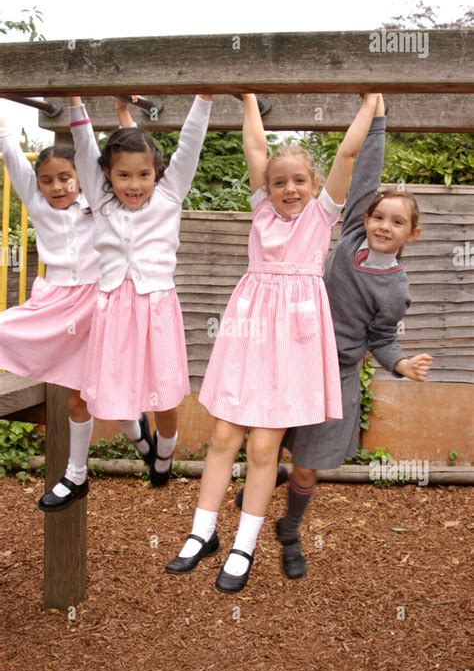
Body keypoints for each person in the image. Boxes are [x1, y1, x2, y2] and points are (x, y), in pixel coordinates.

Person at [166, 93, 382, 593]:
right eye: (279, 181)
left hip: (294, 339)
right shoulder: (262, 208)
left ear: (313, 186)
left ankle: (244, 544)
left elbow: (347, 155)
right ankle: (202, 534)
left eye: (299, 181)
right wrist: (247, 98)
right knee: (223, 436)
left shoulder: (322, 216)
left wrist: (370, 104)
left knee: (264, 447)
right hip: (249, 326)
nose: (288, 188)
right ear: (267, 187)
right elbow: (255, 147)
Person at [277, 95, 433, 579]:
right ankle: (264, 488)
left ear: (411, 233)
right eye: (378, 216)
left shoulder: (396, 290)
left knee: (308, 464)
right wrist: (379, 117)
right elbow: (364, 169)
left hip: (338, 371)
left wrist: (401, 364)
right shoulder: (348, 236)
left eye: (397, 221)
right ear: (365, 218)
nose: (384, 225)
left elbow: (382, 340)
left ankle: (290, 527)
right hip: (296, 354)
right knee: (267, 441)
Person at [67, 93, 212, 488]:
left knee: (165, 398)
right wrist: (74, 101)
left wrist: (204, 97)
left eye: (143, 175)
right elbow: (84, 147)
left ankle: (165, 449)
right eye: (124, 176)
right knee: (111, 391)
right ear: (108, 177)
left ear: (157, 174)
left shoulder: (168, 196)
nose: (134, 184)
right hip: (113, 306)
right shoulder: (101, 201)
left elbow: (190, 146)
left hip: (157, 306)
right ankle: (142, 445)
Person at [0, 101, 112, 512]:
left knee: (80, 400)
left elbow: (93, 155)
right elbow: (11, 154)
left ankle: (76, 475)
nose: (57, 186)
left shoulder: (97, 207)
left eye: (66, 177)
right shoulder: (39, 206)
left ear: (81, 179)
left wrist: (78, 105)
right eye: (47, 180)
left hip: (94, 304)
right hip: (55, 303)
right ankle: (78, 475)